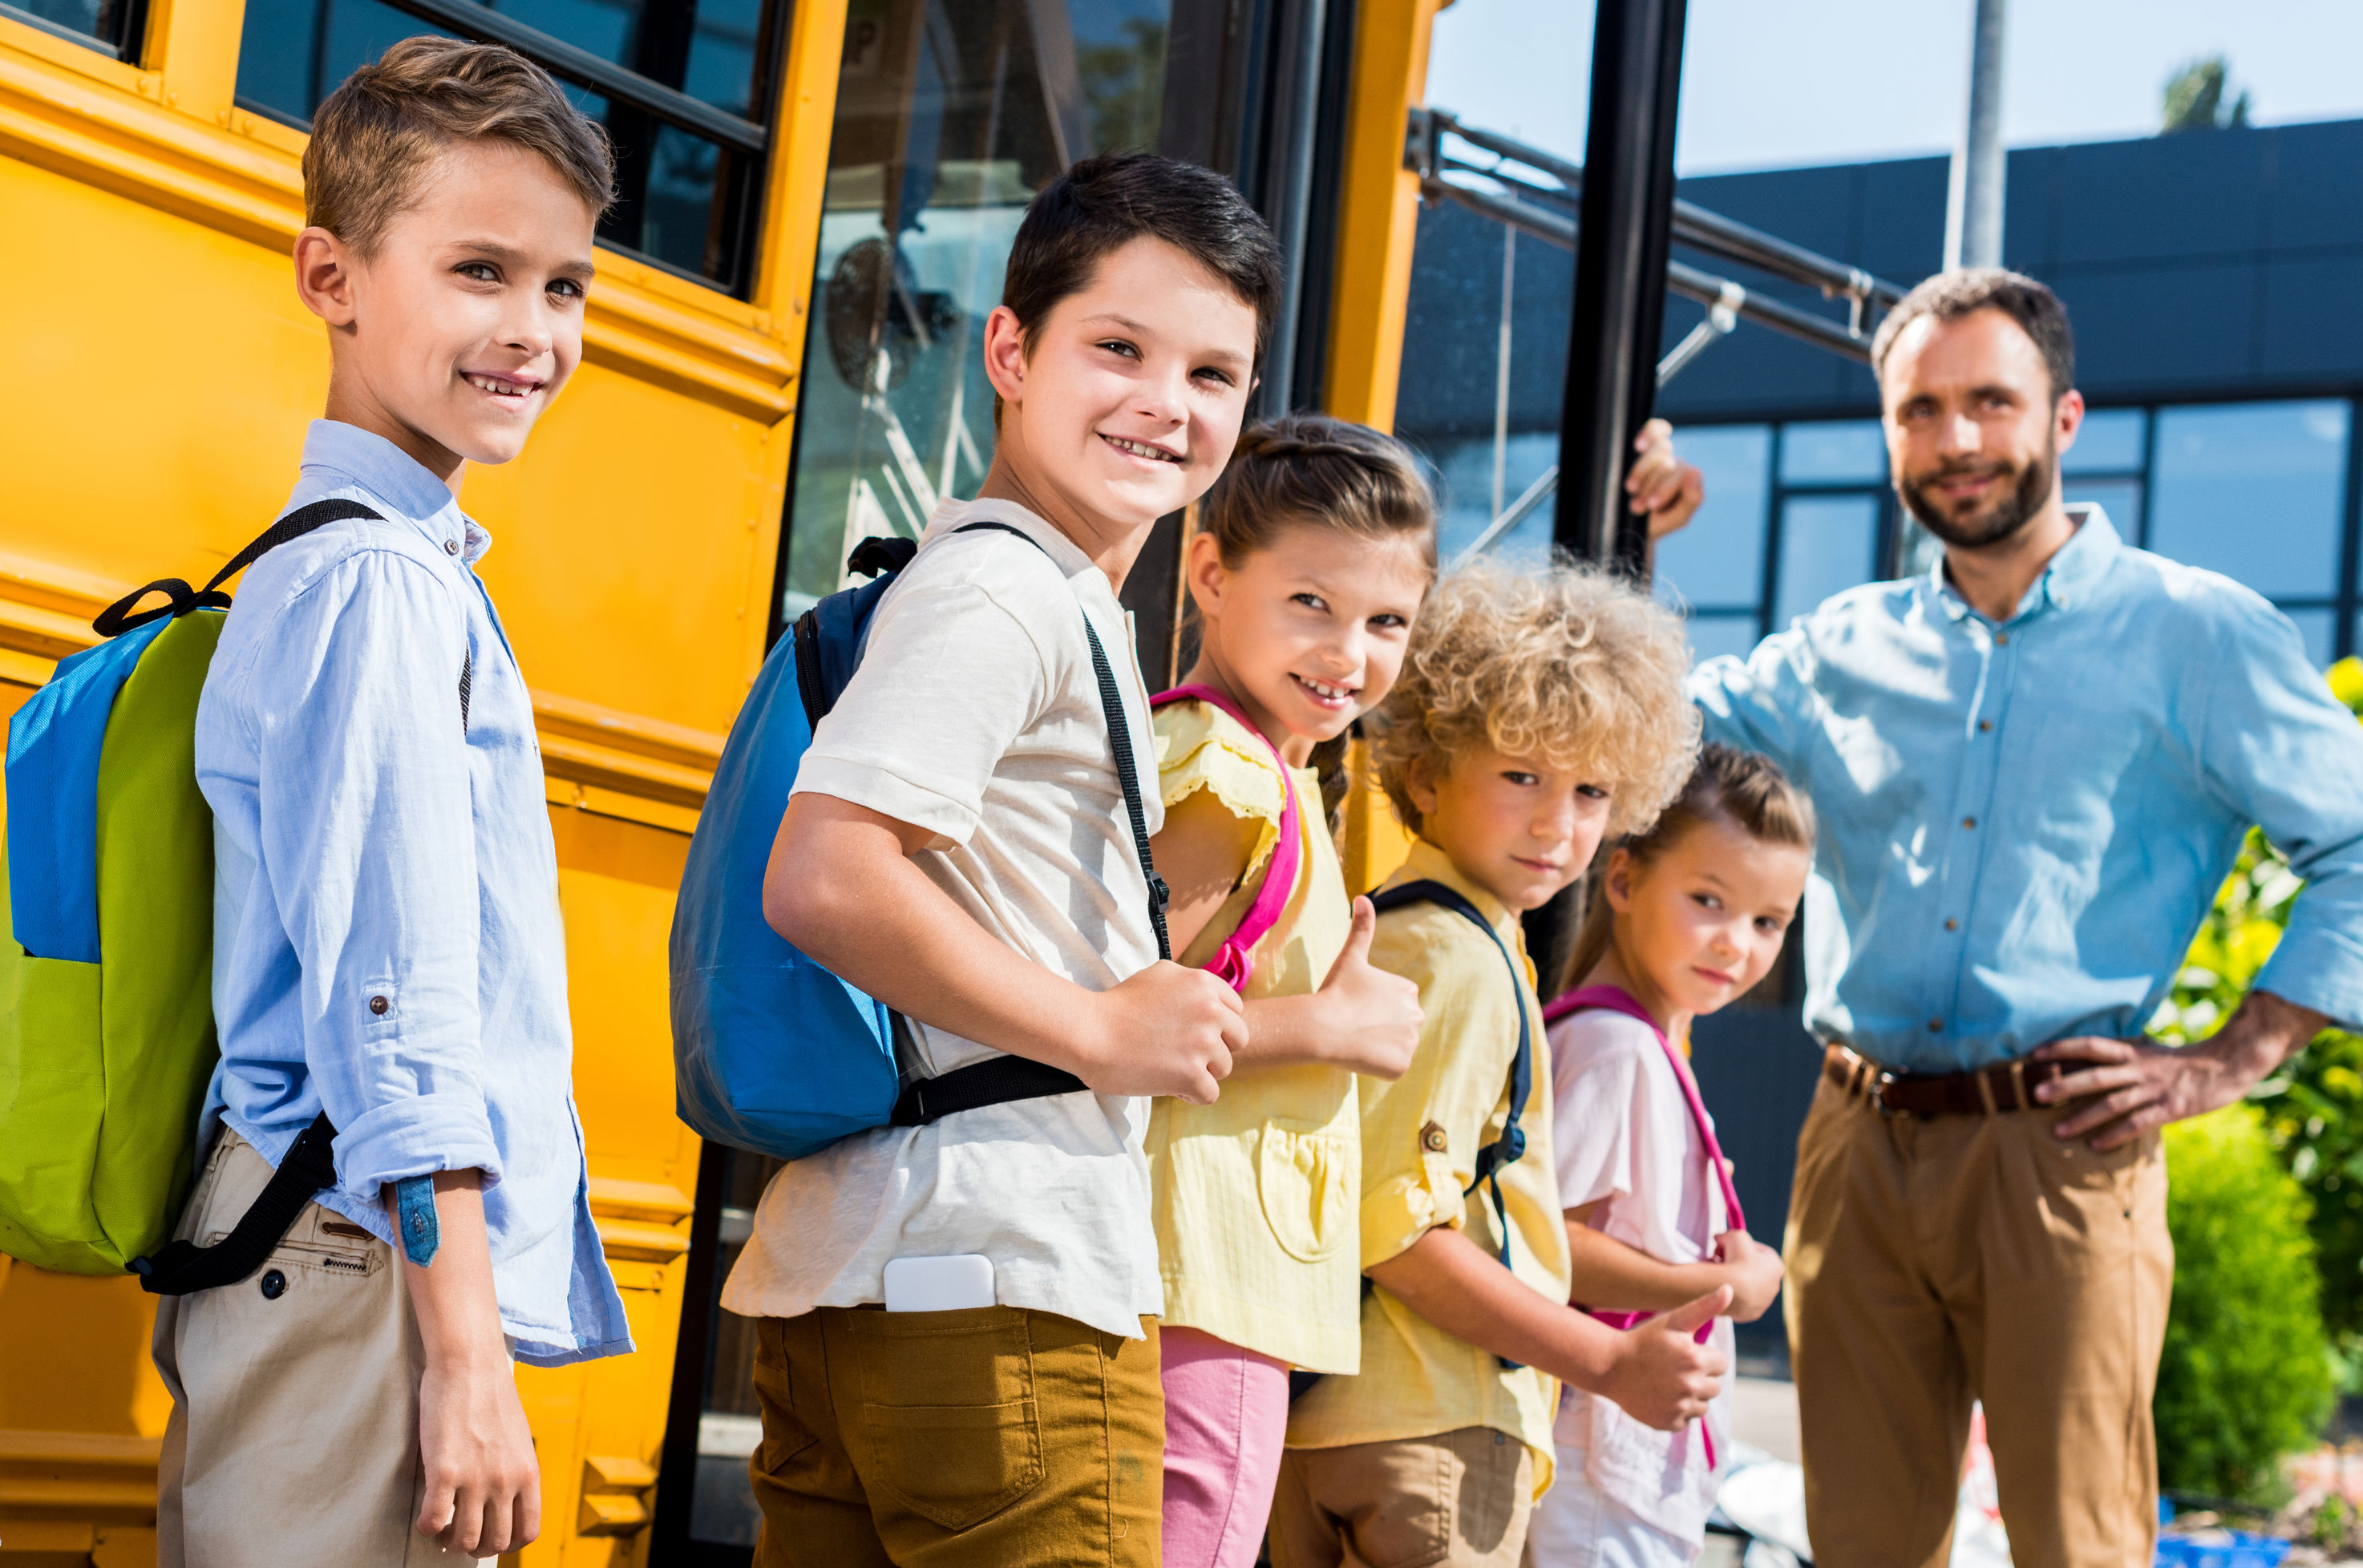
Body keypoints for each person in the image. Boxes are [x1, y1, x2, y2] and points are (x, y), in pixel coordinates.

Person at [1653, 267, 2363, 1567]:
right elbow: (1645, 739)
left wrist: (2233, 1057)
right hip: (1853, 1145)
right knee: (1864, 1544)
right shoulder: (1838, 648)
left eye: (1991, 401)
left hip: (2062, 1150)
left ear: (2065, 418)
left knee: (2076, 1546)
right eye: (1920, 411)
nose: (1958, 440)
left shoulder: (2195, 634)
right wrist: (1641, 533)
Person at [727, 152, 1279, 1567]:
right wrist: (1101, 1025)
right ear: (1011, 350)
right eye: (1119, 348)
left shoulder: (994, 585)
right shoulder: (1006, 591)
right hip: (1004, 1288)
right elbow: (827, 873)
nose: (1167, 402)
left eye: (1215, 375)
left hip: (867, 1270)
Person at [156, 37, 632, 1568]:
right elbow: (396, 1002)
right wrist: (468, 1351)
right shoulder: (375, 583)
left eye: (565, 285)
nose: (534, 332)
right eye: (481, 270)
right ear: (331, 275)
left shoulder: (366, 563)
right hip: (366, 1255)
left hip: (327, 1247)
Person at [1273, 562, 1726, 1568]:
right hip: (1428, 1416)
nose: (1557, 824)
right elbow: (1391, 1227)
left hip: (1341, 1418)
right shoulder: (1456, 959)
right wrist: (1606, 1359)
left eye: (1592, 790)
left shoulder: (1415, 929)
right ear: (1427, 772)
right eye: (1521, 775)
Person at [1143, 414, 1434, 1568]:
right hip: (1191, 1286)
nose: (1348, 653)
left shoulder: (1274, 773)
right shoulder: (1222, 772)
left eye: (1386, 622)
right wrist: (1331, 1026)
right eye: (1311, 603)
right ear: (1212, 573)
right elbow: (1109, 1013)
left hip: (1217, 1285)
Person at [1526, 743, 1807, 1568]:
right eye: (1708, 901)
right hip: (1596, 1473)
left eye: (1767, 922)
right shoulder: (1616, 1048)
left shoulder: (1647, 1045)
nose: (1736, 945)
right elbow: (1546, 1248)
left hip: (1626, 1471)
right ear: (1623, 881)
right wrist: (1724, 1287)